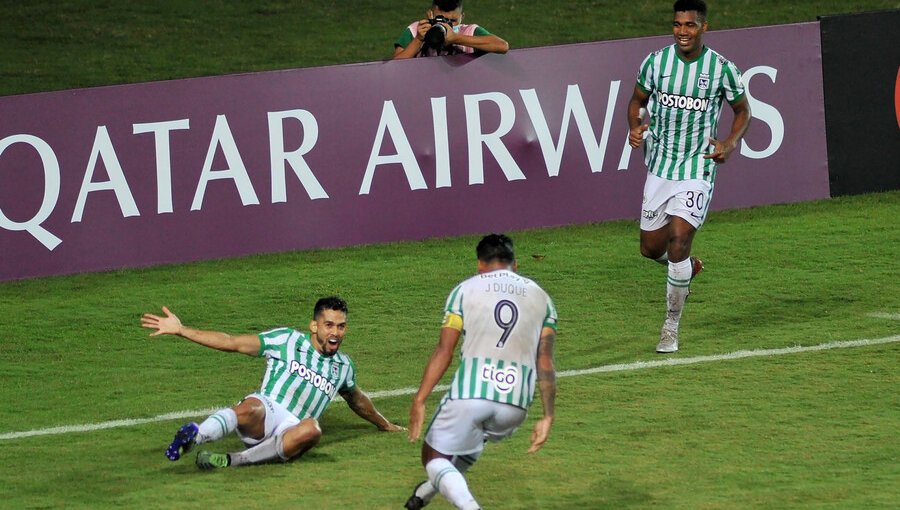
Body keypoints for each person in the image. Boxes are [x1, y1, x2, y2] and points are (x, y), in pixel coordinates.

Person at [140, 296, 404, 469]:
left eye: (342, 326)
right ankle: (195, 437)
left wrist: (385, 424)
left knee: (313, 429)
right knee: (250, 406)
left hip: (293, 431)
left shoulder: (343, 366)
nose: (336, 332)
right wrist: (182, 330)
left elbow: (357, 399)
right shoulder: (287, 340)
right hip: (268, 411)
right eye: (329, 325)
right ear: (314, 326)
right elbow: (233, 342)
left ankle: (234, 461)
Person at [626, 0, 751, 354]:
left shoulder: (722, 69)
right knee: (652, 249)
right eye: (678, 24)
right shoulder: (655, 62)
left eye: (690, 25)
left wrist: (729, 142)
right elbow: (636, 101)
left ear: (704, 27)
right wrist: (635, 128)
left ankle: (670, 328)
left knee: (679, 240)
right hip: (661, 166)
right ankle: (686, 268)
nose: (682, 31)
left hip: (697, 167)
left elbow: (743, 111)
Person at [405, 234, 557, 510]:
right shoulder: (542, 298)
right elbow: (545, 362)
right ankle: (424, 494)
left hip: (471, 394)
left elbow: (444, 350)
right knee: (472, 439)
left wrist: (420, 399)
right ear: (516, 265)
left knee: (433, 458)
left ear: (479, 264)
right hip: (517, 405)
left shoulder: (464, 290)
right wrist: (548, 416)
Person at [392, 0, 509, 59]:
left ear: (462, 17)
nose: (446, 25)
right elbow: (396, 67)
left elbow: (502, 46)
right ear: (429, 14)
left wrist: (457, 38)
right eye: (440, 19)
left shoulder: (469, 32)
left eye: (452, 21)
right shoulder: (416, 30)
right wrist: (418, 39)